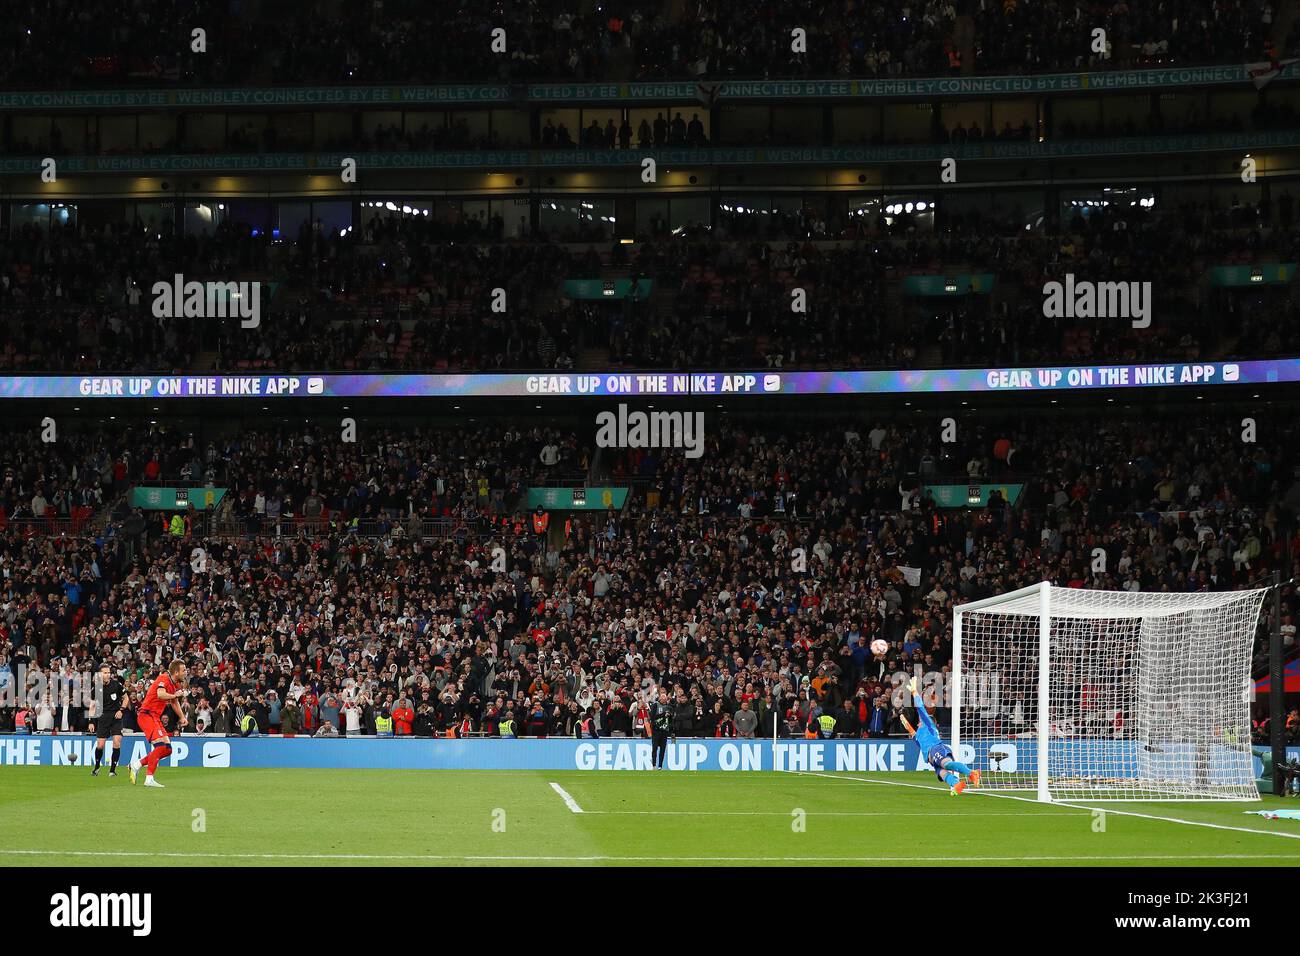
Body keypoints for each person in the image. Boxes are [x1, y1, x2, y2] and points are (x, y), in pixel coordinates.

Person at [900, 677, 979, 795]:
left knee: (946, 764)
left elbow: (920, 708)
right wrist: (907, 725)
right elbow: (915, 738)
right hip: (931, 757)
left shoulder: (929, 725)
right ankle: (956, 784)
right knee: (942, 773)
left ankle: (971, 773)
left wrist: (914, 692)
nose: (918, 722)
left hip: (937, 748)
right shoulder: (920, 734)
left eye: (920, 720)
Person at [130, 660, 188, 789]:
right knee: (161, 746)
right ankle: (149, 778)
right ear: (176, 672)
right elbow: (160, 694)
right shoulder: (164, 678)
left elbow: (174, 702)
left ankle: (136, 765)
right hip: (146, 715)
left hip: (155, 717)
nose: (186, 672)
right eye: (183, 670)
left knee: (167, 749)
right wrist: (174, 695)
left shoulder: (175, 684)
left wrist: (182, 717)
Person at [90, 662, 127, 778]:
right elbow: (92, 705)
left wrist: (121, 710)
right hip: (103, 718)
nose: (107, 675)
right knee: (100, 745)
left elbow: (126, 698)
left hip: (116, 717)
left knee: (117, 741)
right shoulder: (96, 689)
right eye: (105, 673)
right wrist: (91, 721)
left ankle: (112, 770)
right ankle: (96, 767)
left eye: (108, 673)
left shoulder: (117, 685)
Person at [649, 687, 672, 769]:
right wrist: (663, 715)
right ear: (659, 699)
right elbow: (652, 717)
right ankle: (654, 765)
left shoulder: (669, 707)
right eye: (662, 698)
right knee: (654, 748)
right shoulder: (655, 705)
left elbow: (671, 719)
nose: (663, 700)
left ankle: (660, 766)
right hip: (656, 730)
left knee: (662, 749)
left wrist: (669, 716)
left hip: (664, 730)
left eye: (665, 698)